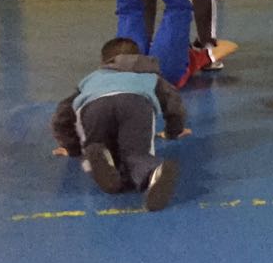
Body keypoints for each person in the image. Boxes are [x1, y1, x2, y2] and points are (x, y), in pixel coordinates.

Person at [51, 37, 190, 212]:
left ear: (104, 62)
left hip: (95, 106)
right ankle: (154, 172)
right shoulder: (150, 76)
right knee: (136, 154)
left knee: (95, 145)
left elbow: (62, 115)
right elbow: (174, 104)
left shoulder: (91, 79)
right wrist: (173, 131)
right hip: (136, 103)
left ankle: (98, 152)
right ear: (139, 57)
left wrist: (72, 148)